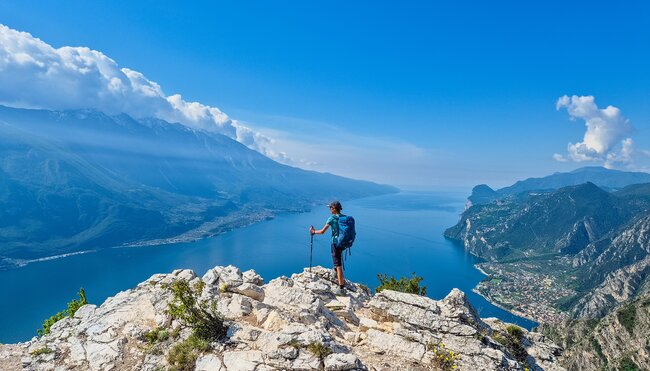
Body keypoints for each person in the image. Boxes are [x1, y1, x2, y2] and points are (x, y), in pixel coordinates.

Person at [310, 200, 347, 296]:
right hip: (342, 242)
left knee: (338, 265)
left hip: (335, 243)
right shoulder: (344, 217)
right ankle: (335, 272)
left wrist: (313, 232)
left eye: (330, 208)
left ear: (334, 209)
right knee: (338, 260)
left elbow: (322, 231)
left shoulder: (331, 219)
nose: (329, 209)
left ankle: (341, 288)